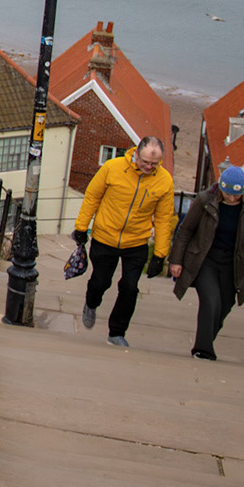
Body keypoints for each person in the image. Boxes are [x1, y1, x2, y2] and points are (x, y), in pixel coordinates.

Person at [73, 136, 176, 347]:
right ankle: (91, 303)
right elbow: (92, 196)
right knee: (101, 281)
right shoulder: (112, 167)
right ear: (136, 154)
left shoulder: (164, 180)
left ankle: (117, 332)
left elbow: (164, 218)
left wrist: (160, 254)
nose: (149, 167)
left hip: (136, 242)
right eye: (145, 161)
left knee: (130, 287)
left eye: (154, 164)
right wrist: (81, 228)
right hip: (105, 236)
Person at [167, 166, 244, 360]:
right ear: (221, 188)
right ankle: (203, 350)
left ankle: (205, 339)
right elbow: (185, 230)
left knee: (225, 304)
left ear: (243, 190)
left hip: (233, 263)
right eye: (228, 194)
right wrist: (176, 260)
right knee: (210, 300)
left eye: (236, 195)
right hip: (205, 258)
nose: (232, 198)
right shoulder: (206, 199)